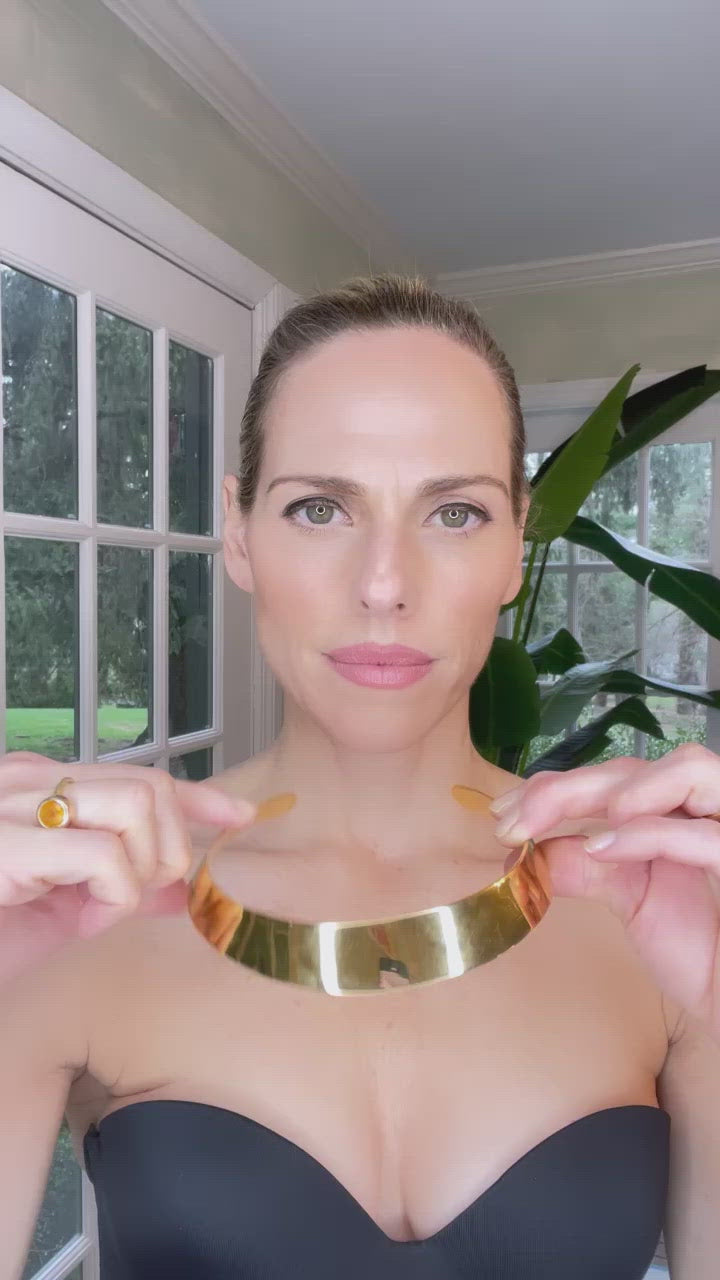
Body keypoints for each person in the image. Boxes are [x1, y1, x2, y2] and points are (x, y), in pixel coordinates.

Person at [1, 273, 719, 1279]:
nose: (384, 584)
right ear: (239, 531)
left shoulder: (664, 918)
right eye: (319, 508)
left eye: (455, 512)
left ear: (518, 543)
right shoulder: (75, 910)